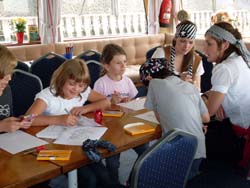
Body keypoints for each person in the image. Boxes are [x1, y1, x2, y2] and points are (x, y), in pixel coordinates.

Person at [26, 58, 118, 188]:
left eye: (81, 86)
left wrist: (85, 108)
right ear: (61, 79)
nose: (76, 89)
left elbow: (105, 102)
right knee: (89, 179)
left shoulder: (83, 91)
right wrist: (59, 119)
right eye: (72, 84)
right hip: (55, 148)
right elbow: (27, 119)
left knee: (103, 176)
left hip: (78, 143)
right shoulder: (48, 96)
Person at [93, 43, 148, 184]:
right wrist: (111, 102)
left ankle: (133, 180)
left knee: (146, 152)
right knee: (112, 162)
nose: (123, 66)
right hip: (109, 129)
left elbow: (133, 100)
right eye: (118, 63)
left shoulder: (127, 81)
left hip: (127, 124)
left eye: (124, 62)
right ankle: (114, 183)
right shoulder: (101, 83)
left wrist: (128, 100)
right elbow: (96, 108)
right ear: (107, 66)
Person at [202, 22, 250, 178]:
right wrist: (218, 100)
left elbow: (208, 112)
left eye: (209, 44)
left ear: (224, 45)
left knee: (197, 138)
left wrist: (209, 99)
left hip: (240, 137)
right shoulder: (240, 59)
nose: (204, 49)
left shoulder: (224, 68)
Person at [144, 69, 210, 179]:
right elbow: (206, 118)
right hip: (198, 147)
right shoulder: (191, 87)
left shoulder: (154, 82)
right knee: (190, 178)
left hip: (178, 149)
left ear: (150, 78)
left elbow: (159, 117)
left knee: (175, 178)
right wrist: (195, 122)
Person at [140, 20, 204, 90]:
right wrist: (179, 81)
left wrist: (193, 86)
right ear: (175, 38)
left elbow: (198, 90)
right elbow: (152, 85)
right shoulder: (162, 53)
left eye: (190, 42)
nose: (186, 46)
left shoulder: (196, 60)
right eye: (182, 41)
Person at [0, 45, 32, 132]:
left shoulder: (6, 90)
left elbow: (7, 118)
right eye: (5, 74)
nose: (9, 78)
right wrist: (1, 127)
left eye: (10, 73)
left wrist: (18, 121)